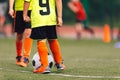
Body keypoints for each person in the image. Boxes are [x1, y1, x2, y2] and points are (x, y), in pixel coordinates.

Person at [23, 0, 65, 73]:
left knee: (41, 40)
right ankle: (59, 63)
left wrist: (25, 15)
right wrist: (60, 17)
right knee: (52, 39)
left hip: (38, 18)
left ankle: (44, 66)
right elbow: (58, 1)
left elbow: (27, 1)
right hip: (51, 17)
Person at [8, 0, 32, 67]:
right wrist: (11, 8)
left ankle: (26, 57)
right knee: (19, 35)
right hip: (19, 9)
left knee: (28, 32)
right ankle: (19, 56)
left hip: (31, 9)